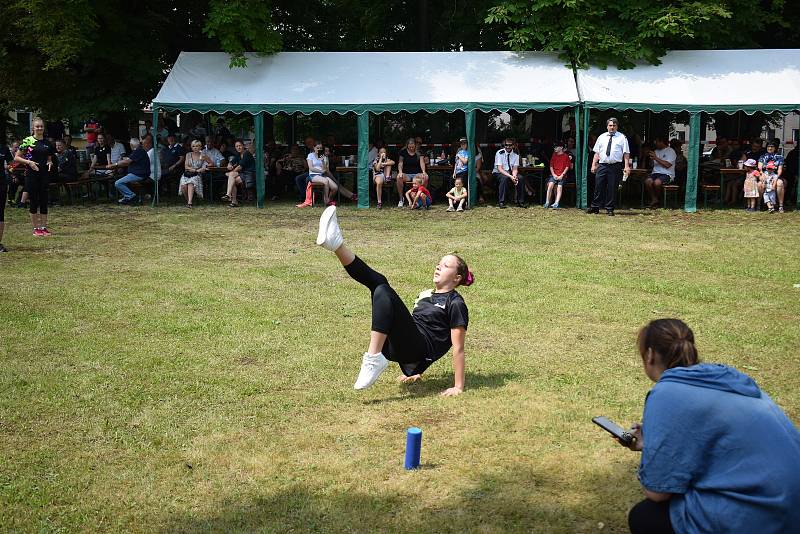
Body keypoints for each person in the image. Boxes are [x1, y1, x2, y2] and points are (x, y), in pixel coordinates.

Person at [619, 318, 800, 534]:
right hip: (792, 506)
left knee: (645, 517)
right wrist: (651, 444)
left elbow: (657, 492)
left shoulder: (667, 393)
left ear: (649, 355)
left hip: (763, 517)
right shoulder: (725, 379)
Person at [315, 205, 472, 395]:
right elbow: (415, 329)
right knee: (380, 285)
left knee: (383, 289)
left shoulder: (455, 303)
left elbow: (456, 347)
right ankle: (336, 245)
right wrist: (417, 371)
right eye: (439, 263)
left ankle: (373, 358)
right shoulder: (425, 294)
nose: (438, 267)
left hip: (415, 350)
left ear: (457, 278)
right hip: (400, 347)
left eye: (446, 265)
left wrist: (458, 386)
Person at [14, 117, 55, 236]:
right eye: (37, 126)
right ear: (33, 128)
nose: (39, 128)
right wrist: (29, 163)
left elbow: (49, 157)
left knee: (43, 200)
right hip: (32, 175)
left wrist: (50, 162)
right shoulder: (27, 141)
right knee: (34, 200)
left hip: (44, 175)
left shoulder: (47, 143)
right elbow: (17, 157)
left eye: (41, 126)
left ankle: (43, 227)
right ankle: (36, 228)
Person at [589, 118, 630, 216]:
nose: (612, 127)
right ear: (607, 126)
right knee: (598, 186)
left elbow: (626, 153)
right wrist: (594, 164)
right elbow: (597, 152)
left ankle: (609, 209)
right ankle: (595, 207)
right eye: (610, 125)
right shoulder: (601, 137)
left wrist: (626, 166)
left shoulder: (622, 137)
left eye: (614, 125)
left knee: (612, 187)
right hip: (602, 165)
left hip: (615, 166)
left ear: (617, 126)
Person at [113, 138, 151, 204]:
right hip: (137, 174)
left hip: (139, 174)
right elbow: (129, 160)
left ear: (131, 145)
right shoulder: (138, 151)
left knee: (118, 183)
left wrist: (115, 164)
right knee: (120, 178)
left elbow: (127, 161)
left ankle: (130, 196)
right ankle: (128, 197)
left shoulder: (138, 151)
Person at [643, 136, 677, 209]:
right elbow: (652, 165)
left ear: (662, 142)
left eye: (657, 142)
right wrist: (647, 157)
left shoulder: (671, 151)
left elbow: (667, 165)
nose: (655, 143)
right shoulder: (656, 151)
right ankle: (655, 199)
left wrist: (656, 158)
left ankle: (657, 200)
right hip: (655, 173)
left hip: (667, 174)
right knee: (647, 181)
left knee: (657, 183)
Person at [221, 139, 255, 207]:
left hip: (249, 175)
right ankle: (232, 199)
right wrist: (229, 164)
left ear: (243, 146)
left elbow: (240, 166)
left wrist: (231, 172)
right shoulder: (238, 154)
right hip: (243, 174)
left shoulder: (246, 154)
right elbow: (232, 161)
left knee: (231, 176)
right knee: (232, 179)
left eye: (240, 146)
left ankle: (230, 197)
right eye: (236, 146)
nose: (238, 147)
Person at [179, 139, 211, 208]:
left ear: (200, 147)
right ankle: (189, 201)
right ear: (191, 147)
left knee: (191, 182)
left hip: (197, 175)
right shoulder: (188, 154)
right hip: (187, 173)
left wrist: (204, 167)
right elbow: (186, 166)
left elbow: (211, 163)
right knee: (183, 186)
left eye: (197, 146)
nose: (195, 148)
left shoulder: (203, 155)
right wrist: (194, 170)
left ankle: (190, 203)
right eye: (193, 146)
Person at [396, 138, 428, 207]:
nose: (411, 148)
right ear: (407, 145)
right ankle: (401, 199)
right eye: (409, 147)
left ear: (415, 146)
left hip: (417, 174)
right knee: (399, 177)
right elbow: (400, 163)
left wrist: (423, 172)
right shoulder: (403, 152)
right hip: (406, 174)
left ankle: (422, 197)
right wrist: (400, 172)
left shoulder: (419, 152)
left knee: (425, 177)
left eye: (412, 147)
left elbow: (422, 163)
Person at [493, 137, 523, 208]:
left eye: (510, 145)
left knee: (521, 178)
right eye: (506, 145)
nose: (508, 147)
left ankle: (520, 201)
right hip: (498, 173)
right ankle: (501, 202)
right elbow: (500, 169)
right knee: (504, 178)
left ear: (513, 146)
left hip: (510, 173)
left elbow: (515, 168)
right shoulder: (499, 153)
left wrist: (514, 176)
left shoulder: (516, 155)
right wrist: (511, 176)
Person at [757, 141, 785, 212]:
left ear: (775, 148)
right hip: (765, 175)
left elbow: (780, 169)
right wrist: (762, 175)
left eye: (772, 146)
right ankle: (758, 205)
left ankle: (780, 206)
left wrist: (776, 179)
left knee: (780, 183)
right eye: (768, 146)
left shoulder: (779, 157)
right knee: (759, 184)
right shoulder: (762, 156)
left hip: (775, 176)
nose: (770, 148)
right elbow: (759, 168)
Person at [543, 140, 572, 209]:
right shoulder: (554, 155)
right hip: (554, 175)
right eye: (554, 147)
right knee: (550, 185)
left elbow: (567, 167)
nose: (554, 148)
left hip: (562, 175)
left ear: (561, 147)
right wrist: (553, 174)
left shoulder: (566, 156)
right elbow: (551, 166)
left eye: (556, 147)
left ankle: (556, 203)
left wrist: (562, 175)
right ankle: (547, 202)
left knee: (559, 186)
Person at [0, 140, 15, 251]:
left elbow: (11, 163)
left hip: (1, 184)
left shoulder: (3, 148)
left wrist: (11, 169)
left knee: (0, 213)